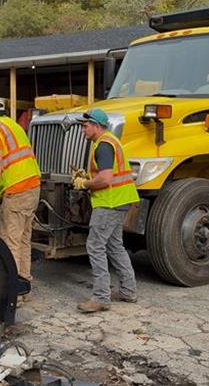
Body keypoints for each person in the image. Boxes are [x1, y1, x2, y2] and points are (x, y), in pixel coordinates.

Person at [73, 108, 139, 313]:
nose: (83, 130)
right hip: (120, 200)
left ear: (96, 125)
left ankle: (101, 297)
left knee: (95, 245)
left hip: (109, 202)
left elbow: (105, 178)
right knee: (114, 246)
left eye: (85, 126)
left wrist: (84, 183)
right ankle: (128, 291)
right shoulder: (110, 141)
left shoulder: (103, 145)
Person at [0, 95, 41, 304]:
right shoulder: (13, 126)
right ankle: (25, 287)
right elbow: (12, 158)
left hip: (17, 189)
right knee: (24, 240)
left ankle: (13, 292)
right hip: (32, 185)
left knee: (10, 242)